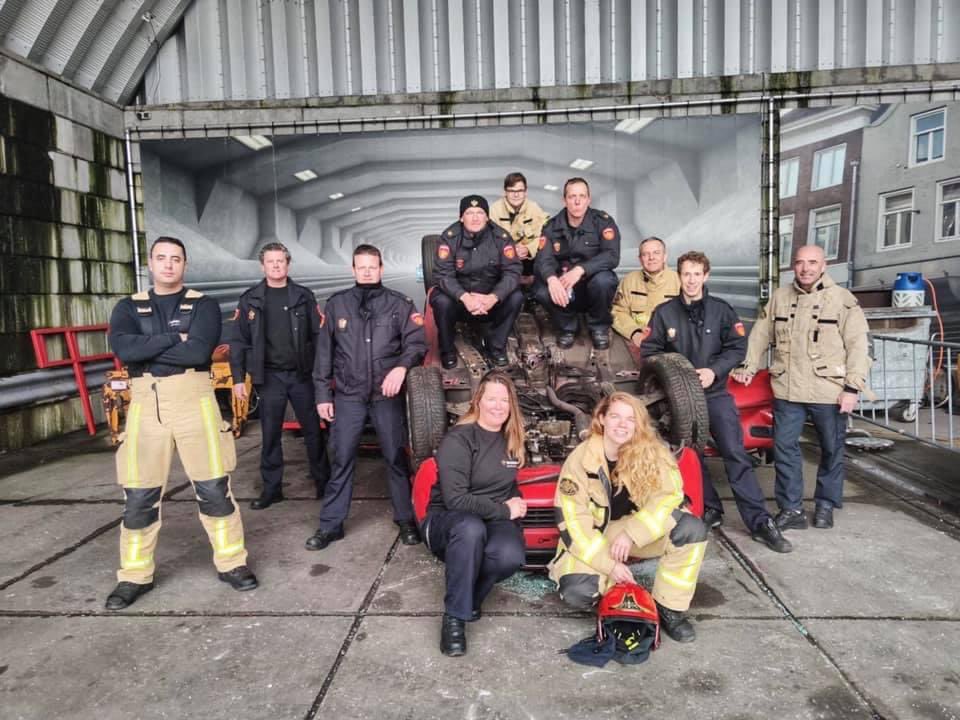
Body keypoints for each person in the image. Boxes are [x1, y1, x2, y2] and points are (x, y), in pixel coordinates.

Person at [105, 237, 257, 610]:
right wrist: (176, 337)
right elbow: (125, 350)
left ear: (184, 265)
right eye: (161, 258)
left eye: (176, 259)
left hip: (195, 402)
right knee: (139, 495)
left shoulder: (203, 305)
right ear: (151, 265)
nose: (168, 265)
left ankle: (232, 563)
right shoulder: (128, 307)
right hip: (145, 404)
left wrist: (152, 346)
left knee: (214, 488)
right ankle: (134, 575)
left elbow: (199, 351)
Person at [641, 251, 792, 553]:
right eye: (686, 274)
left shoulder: (722, 311)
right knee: (690, 457)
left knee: (735, 454)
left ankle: (760, 522)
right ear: (679, 276)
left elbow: (737, 348)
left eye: (697, 274)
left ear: (706, 276)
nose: (692, 280)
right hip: (679, 401)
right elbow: (649, 351)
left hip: (716, 394)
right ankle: (711, 509)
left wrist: (715, 370)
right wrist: (674, 372)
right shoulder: (664, 313)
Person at [549, 392, 707, 642]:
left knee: (690, 530)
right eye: (615, 416)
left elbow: (670, 496)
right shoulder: (580, 459)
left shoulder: (653, 452)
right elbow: (573, 523)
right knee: (578, 593)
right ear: (601, 419)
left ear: (639, 424)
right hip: (595, 536)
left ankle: (669, 607)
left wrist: (632, 533)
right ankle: (615, 594)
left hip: (634, 534)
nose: (622, 424)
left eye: (630, 419)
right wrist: (610, 566)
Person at [732, 244, 871, 530]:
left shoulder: (842, 300)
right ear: (793, 266)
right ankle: (792, 509)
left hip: (828, 390)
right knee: (784, 449)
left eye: (812, 262)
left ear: (824, 265)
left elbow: (859, 346)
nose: (805, 268)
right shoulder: (780, 298)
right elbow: (760, 336)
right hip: (788, 389)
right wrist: (748, 366)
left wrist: (852, 388)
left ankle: (825, 505)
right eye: (799, 262)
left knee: (832, 449)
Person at [309, 244, 427, 550]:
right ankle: (331, 525)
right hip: (348, 395)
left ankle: (405, 519)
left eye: (371, 266)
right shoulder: (337, 305)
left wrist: (401, 368)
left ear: (381, 269)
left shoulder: (399, 304)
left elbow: (417, 343)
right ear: (352, 269)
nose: (366, 271)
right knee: (342, 458)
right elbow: (324, 354)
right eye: (361, 267)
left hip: (385, 396)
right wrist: (323, 394)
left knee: (395, 458)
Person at [423, 372, 527, 656]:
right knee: (470, 529)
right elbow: (455, 499)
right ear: (478, 401)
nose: (498, 406)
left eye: (504, 400)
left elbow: (504, 482)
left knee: (510, 555)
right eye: (491, 398)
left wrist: (516, 498)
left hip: (488, 518)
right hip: (448, 521)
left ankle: (470, 599)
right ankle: (454, 618)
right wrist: (504, 509)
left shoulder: (511, 440)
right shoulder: (459, 438)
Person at [230, 242, 331, 510]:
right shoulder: (250, 299)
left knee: (313, 432)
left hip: (301, 375)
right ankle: (272, 489)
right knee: (270, 434)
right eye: (271, 262)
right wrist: (239, 378)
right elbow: (238, 342)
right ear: (262, 266)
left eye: (281, 261)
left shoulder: (303, 296)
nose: (276, 266)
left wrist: (322, 374)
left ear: (288, 264)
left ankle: (324, 483)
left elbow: (318, 336)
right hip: (269, 378)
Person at [430, 195, 523, 368]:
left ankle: (496, 348)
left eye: (480, 213)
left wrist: (494, 297)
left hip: (490, 302)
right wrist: (465, 297)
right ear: (461, 217)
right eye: (469, 213)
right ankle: (447, 350)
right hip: (461, 303)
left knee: (516, 296)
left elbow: (513, 272)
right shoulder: (449, 238)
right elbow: (443, 275)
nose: (475, 217)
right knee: (440, 300)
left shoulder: (501, 237)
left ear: (487, 217)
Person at [533, 177, 620, 349]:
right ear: (564, 200)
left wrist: (581, 269)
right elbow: (543, 259)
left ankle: (598, 327)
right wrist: (552, 279)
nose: (577, 201)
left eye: (582, 196)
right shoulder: (551, 226)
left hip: (591, 287)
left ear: (589, 199)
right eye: (572, 196)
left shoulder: (602, 222)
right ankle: (567, 328)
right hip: (564, 289)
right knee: (540, 289)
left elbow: (612, 255)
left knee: (605, 280)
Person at [611, 236, 680, 345]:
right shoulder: (629, 280)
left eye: (656, 252)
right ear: (640, 259)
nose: (651, 257)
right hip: (637, 341)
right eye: (645, 254)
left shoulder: (679, 281)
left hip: (671, 340)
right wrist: (635, 333)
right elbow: (617, 312)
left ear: (665, 256)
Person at [489, 172, 551, 280]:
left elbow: (544, 236)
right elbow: (488, 240)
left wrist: (528, 249)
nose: (516, 195)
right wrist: (510, 250)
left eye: (520, 191)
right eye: (511, 191)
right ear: (505, 192)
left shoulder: (534, 208)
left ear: (525, 192)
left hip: (528, 261)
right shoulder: (494, 210)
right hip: (503, 261)